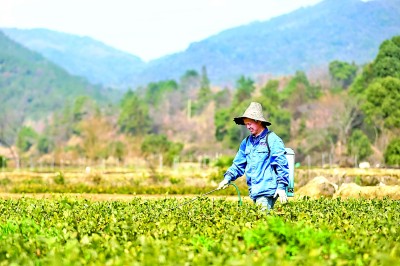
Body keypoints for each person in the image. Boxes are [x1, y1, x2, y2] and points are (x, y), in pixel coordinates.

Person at [217, 102, 289, 211]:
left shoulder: (273, 140)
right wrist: (227, 178)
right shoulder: (246, 142)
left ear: (259, 121)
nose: (248, 127)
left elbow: (281, 163)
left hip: (267, 189)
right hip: (254, 190)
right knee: (261, 222)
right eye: (246, 124)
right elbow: (238, 165)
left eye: (250, 123)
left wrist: (281, 186)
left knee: (261, 221)